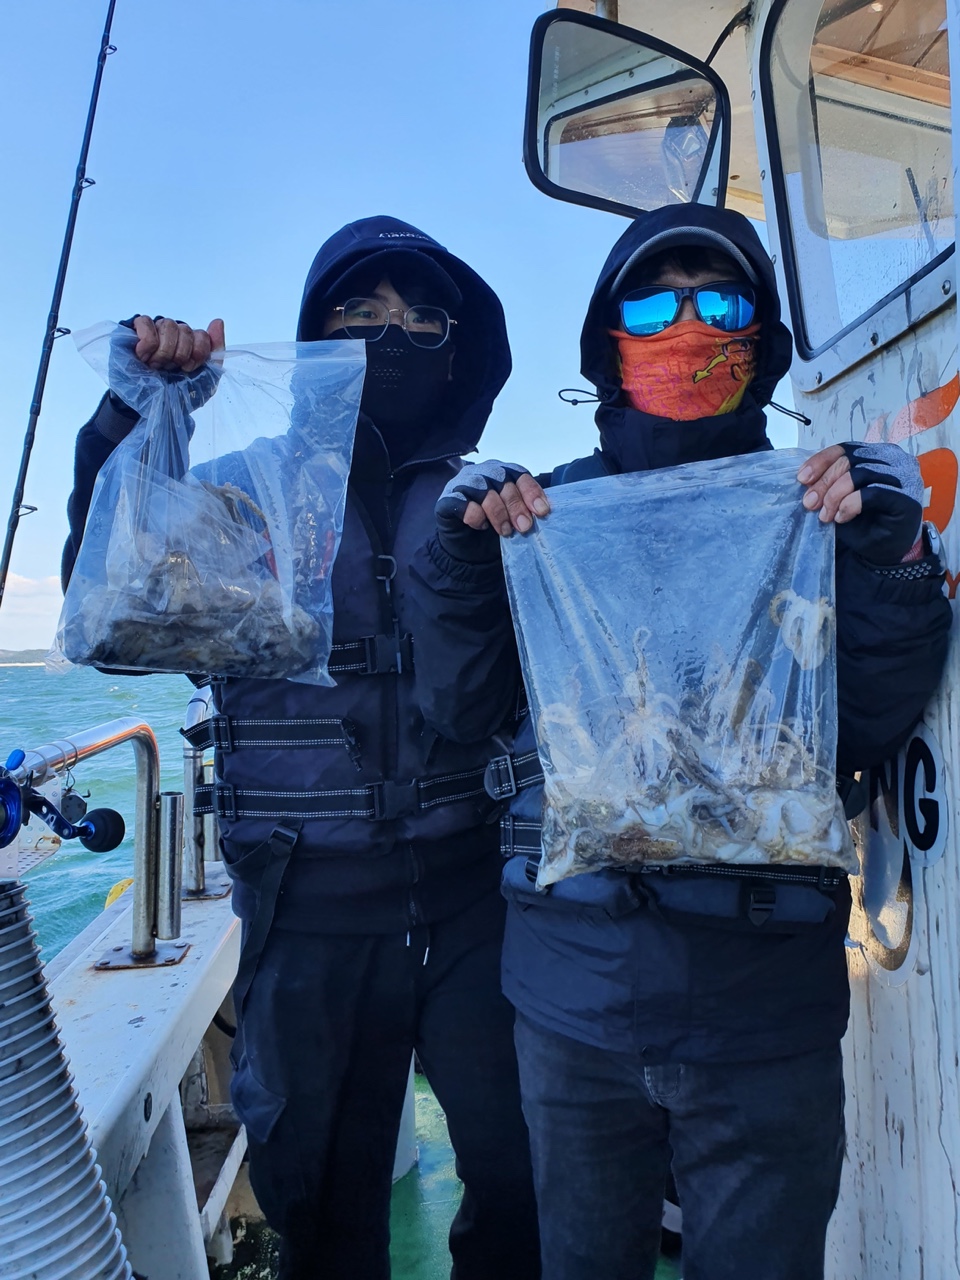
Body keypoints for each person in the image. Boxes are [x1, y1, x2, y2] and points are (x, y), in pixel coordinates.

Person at [408, 203, 952, 1280]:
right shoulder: (541, 518)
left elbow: (867, 720)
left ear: (763, 343)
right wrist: (457, 569)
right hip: (571, 997)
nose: (690, 327)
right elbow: (463, 709)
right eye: (654, 307)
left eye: (724, 305)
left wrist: (893, 560)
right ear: (609, 343)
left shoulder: (819, 504)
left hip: (766, 1009)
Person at [61, 215, 541, 1280]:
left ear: (458, 351)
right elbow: (109, 612)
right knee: (318, 1194)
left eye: (422, 318)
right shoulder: (241, 494)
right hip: (305, 904)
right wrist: (139, 416)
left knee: (522, 1174)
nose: (391, 332)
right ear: (313, 339)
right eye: (359, 313)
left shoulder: (497, 501)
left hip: (478, 897)